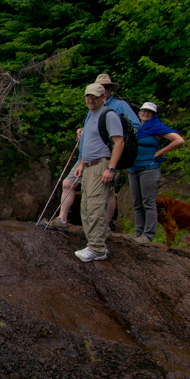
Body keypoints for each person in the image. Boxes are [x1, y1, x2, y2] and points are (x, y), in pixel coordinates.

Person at [47, 74, 138, 231]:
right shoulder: (92, 107)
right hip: (86, 157)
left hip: (106, 157)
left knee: (108, 191)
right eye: (101, 87)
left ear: (108, 92)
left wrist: (114, 129)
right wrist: (82, 132)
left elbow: (134, 127)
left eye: (107, 87)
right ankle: (62, 219)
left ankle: (105, 227)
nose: (104, 90)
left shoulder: (118, 106)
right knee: (69, 183)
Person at [73, 83, 124, 262]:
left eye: (94, 96)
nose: (90, 99)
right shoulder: (91, 116)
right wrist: (81, 164)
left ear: (103, 97)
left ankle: (97, 248)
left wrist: (111, 167)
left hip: (101, 166)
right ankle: (93, 243)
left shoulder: (108, 115)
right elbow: (88, 143)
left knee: (95, 206)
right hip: (88, 166)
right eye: (88, 96)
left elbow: (119, 142)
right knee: (86, 206)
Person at [128, 102, 185, 245]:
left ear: (154, 114)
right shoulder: (134, 127)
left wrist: (160, 152)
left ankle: (148, 236)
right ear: (139, 111)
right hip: (133, 168)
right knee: (137, 203)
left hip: (149, 168)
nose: (146, 113)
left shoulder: (157, 127)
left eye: (149, 111)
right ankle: (138, 233)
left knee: (148, 202)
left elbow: (179, 140)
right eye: (144, 111)